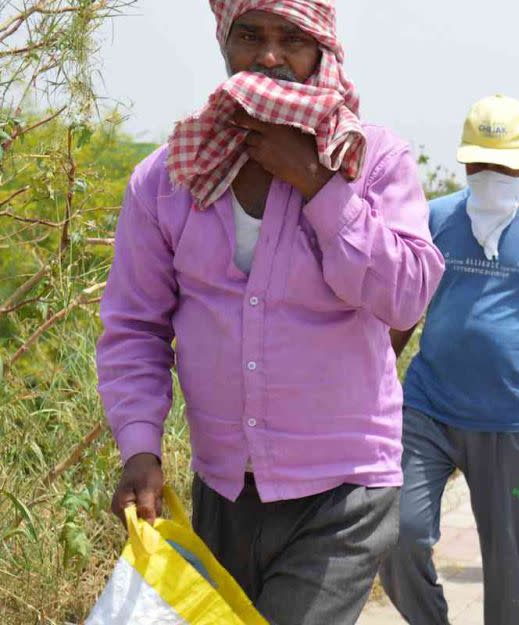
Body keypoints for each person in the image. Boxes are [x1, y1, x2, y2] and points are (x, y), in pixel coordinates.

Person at [96, 4, 446, 623]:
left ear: (325, 51)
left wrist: (317, 184)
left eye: (291, 40)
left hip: (345, 489)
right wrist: (140, 450)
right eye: (250, 36)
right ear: (223, 44)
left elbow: (407, 294)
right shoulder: (169, 177)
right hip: (224, 489)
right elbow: (134, 329)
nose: (269, 57)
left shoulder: (373, 161)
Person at [380, 95, 519, 625]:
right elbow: (405, 309)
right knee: (395, 534)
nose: (490, 173)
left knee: (510, 570)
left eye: (502, 162)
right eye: (479, 161)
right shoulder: (435, 217)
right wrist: (372, 387)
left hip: (513, 420)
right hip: (428, 408)